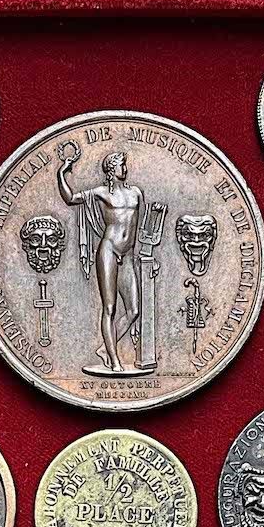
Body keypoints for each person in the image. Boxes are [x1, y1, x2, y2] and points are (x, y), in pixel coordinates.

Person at [58, 145, 151, 375]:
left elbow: (142, 224)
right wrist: (62, 172)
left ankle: (104, 348)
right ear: (111, 169)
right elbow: (70, 199)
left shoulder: (136, 193)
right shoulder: (101, 192)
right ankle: (114, 359)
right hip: (108, 250)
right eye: (121, 165)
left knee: (134, 311)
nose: (125, 169)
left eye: (125, 165)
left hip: (127, 254)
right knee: (109, 307)